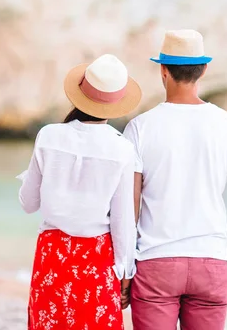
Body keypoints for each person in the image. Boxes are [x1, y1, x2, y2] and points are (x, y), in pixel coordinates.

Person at [123, 30, 227, 330]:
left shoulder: (139, 128)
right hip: (210, 264)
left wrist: (123, 267)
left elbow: (128, 207)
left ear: (163, 70)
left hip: (155, 263)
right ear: (204, 70)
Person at [17, 54, 142, 330]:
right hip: (96, 257)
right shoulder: (121, 148)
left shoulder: (48, 136)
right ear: (116, 104)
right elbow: (123, 219)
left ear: (78, 95)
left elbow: (28, 203)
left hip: (52, 253)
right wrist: (125, 270)